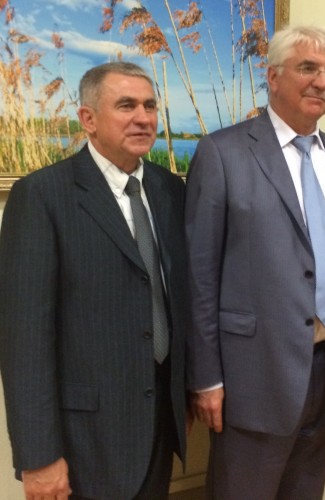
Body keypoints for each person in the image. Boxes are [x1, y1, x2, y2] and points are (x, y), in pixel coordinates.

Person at [185, 25, 325, 500]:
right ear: (273, 76)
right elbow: (200, 277)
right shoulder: (222, 153)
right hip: (253, 376)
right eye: (308, 68)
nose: (322, 81)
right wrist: (206, 377)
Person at [0, 61, 189, 499]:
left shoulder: (169, 189)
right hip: (86, 437)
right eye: (126, 106)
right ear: (88, 119)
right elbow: (23, 340)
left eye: (149, 106)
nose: (143, 118)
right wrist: (38, 455)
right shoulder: (43, 196)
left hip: (160, 424)